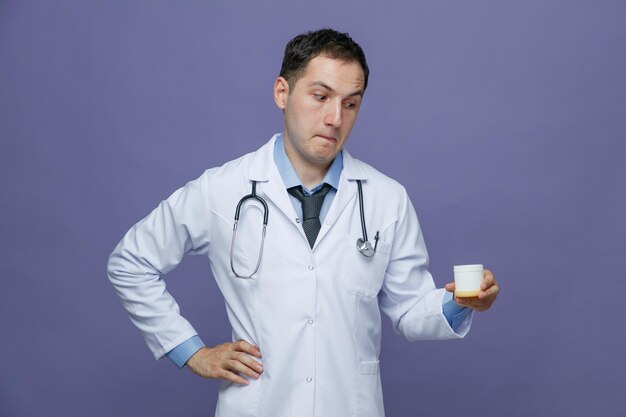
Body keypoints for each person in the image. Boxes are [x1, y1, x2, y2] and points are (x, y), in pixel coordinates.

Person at [107, 28, 499, 417]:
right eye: (320, 96)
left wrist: (460, 303)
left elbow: (411, 309)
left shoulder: (385, 198)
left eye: (351, 104)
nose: (334, 118)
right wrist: (190, 351)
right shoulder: (221, 190)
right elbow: (130, 262)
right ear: (282, 92)